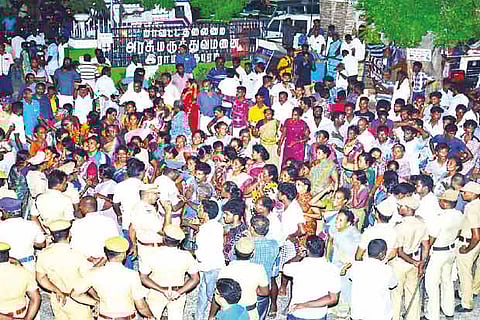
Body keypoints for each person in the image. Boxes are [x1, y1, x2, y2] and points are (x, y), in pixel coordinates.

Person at [71, 236, 154, 319]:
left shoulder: (93, 273)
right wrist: (150, 316)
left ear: (106, 253)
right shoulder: (131, 275)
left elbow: (74, 294)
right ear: (123, 254)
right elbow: (141, 307)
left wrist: (95, 302)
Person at [139, 224, 200, 320]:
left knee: (152, 317)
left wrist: (163, 291)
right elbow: (195, 279)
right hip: (178, 293)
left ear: (163, 238)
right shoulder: (187, 256)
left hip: (156, 292)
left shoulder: (151, 254)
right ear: (180, 241)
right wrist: (179, 292)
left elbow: (143, 278)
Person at [36, 219, 94, 319]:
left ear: (52, 236)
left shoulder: (44, 254)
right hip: (78, 301)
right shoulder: (77, 254)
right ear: (69, 234)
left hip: (57, 299)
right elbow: (89, 280)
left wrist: (57, 290)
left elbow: (40, 278)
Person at [424, 190, 464, 319]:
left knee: (432, 284)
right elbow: (459, 232)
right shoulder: (459, 214)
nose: (439, 202)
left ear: (446, 203)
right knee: (447, 281)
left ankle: (432, 315)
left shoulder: (440, 218)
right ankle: (449, 310)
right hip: (451, 250)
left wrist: (426, 253)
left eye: (441, 200)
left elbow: (432, 237)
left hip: (438, 252)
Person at [210, 237, 270, 320]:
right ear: (253, 253)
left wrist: (211, 316)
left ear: (234, 251)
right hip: (250, 312)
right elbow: (264, 292)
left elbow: (218, 295)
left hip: (230, 312)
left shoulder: (225, 269)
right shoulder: (259, 269)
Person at [391, 196, 430, 320]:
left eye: (401, 207)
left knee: (396, 294)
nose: (399, 208)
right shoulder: (422, 224)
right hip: (415, 261)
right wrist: (421, 263)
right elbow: (426, 246)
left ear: (408, 209)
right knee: (413, 292)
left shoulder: (399, 227)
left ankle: (395, 317)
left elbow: (400, 252)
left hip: (400, 263)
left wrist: (415, 263)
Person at [283, 236, 340, 320]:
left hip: (298, 314)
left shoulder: (297, 267)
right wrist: (306, 305)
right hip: (318, 315)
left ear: (307, 251)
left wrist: (298, 256)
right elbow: (333, 299)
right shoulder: (333, 269)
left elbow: (285, 267)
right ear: (324, 250)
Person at [348, 239, 397, 320]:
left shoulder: (356, 266)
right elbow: (393, 284)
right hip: (379, 315)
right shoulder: (386, 270)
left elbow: (351, 277)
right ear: (381, 254)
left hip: (358, 314)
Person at [194, 200, 225, 320]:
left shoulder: (204, 230)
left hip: (208, 266)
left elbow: (201, 254)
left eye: (200, 208)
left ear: (205, 213)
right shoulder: (218, 225)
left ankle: (215, 316)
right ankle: (199, 315)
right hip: (216, 263)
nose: (199, 210)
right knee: (203, 290)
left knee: (211, 294)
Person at [0, 241, 41, 320]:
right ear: (8, 255)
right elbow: (36, 298)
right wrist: (27, 318)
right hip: (21, 315)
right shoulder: (24, 271)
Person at [456, 182, 480, 313]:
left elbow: (476, 234)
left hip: (469, 241)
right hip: (476, 243)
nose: (463, 194)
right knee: (477, 270)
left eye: (466, 192)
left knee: (465, 273)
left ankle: (466, 302)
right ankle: (475, 289)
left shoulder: (471, 207)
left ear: (474, 194)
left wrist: (467, 249)